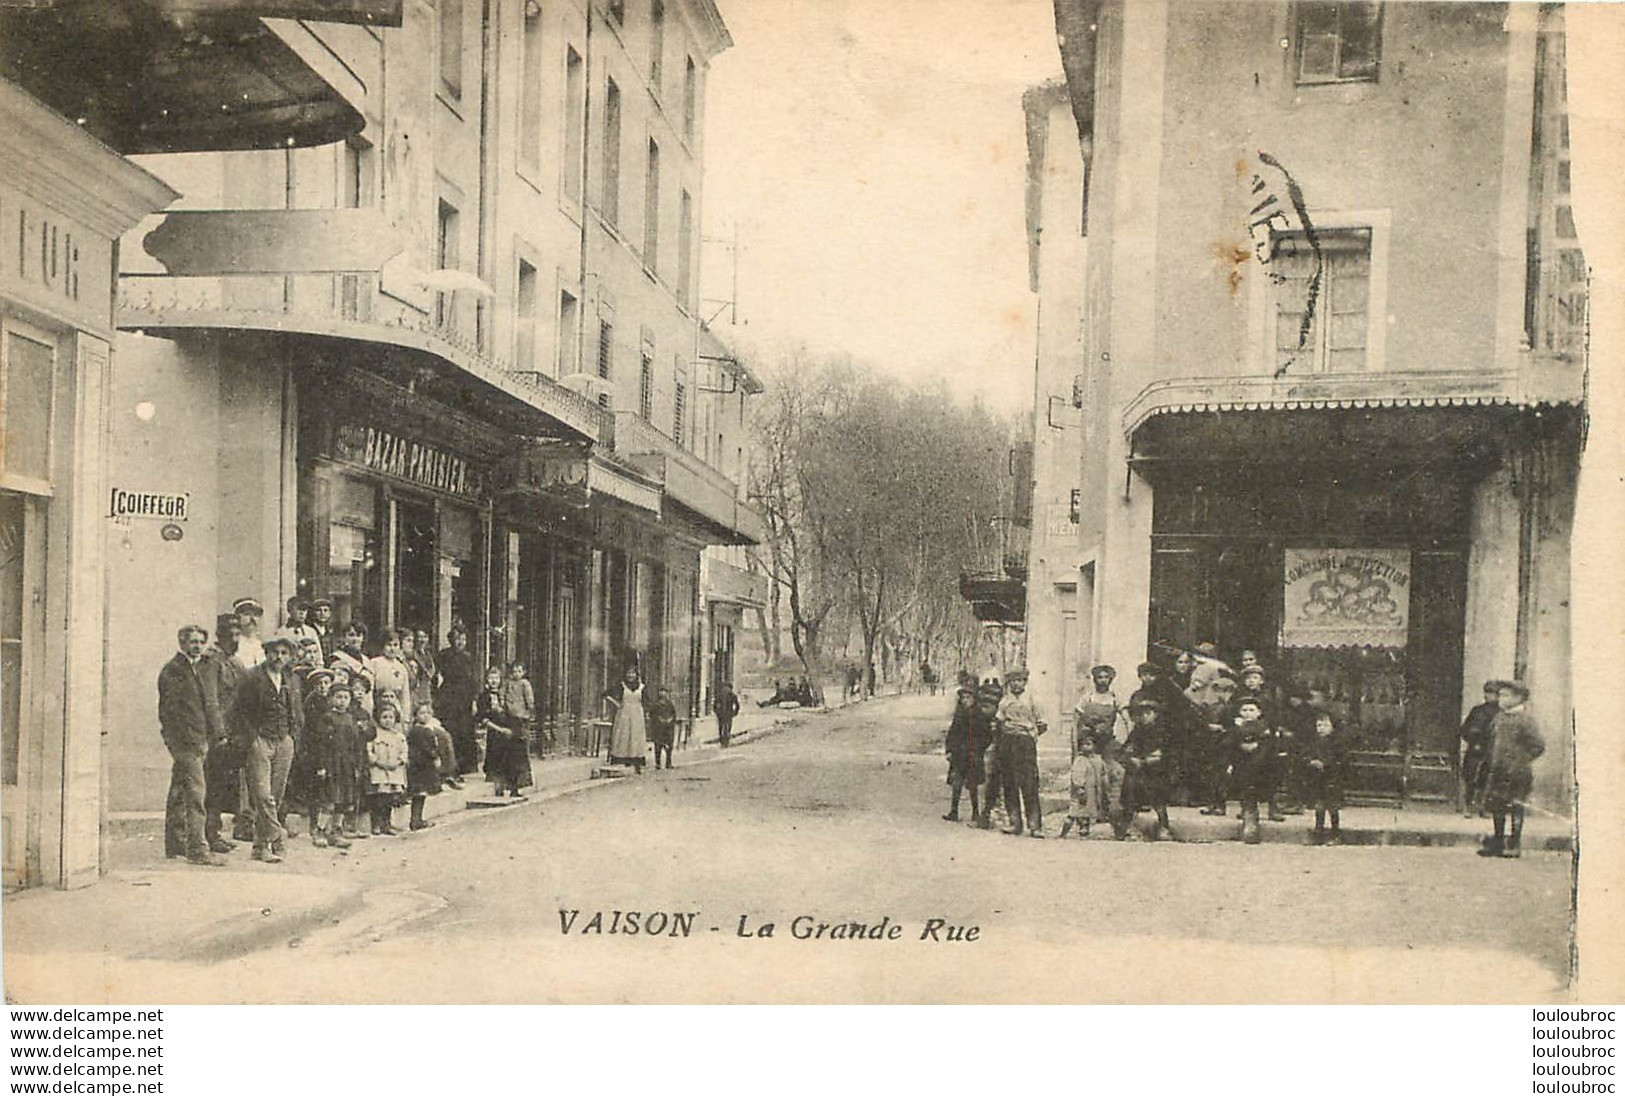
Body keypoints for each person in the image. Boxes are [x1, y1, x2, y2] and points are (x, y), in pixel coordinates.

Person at [229, 632, 305, 863]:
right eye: (274, 652)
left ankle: (260, 847)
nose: (278, 657)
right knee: (262, 795)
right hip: (261, 739)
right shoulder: (253, 677)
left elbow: (297, 711)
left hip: (284, 741)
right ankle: (277, 836)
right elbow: (239, 712)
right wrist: (252, 739)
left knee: (276, 794)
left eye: (284, 653)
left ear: (290, 656)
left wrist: (293, 736)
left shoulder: (292, 679)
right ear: (267, 653)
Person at [157, 625, 227, 866]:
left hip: (205, 740)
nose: (196, 646)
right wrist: (176, 742)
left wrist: (217, 734)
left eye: (200, 642)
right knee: (197, 794)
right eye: (192, 642)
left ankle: (176, 844)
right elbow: (168, 712)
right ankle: (197, 848)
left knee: (179, 791)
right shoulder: (172, 671)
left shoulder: (208, 667)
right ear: (182, 643)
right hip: (186, 742)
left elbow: (213, 704)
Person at [1478, 681, 1546, 859]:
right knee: (1496, 805)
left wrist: (1521, 761)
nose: (1501, 699)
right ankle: (1498, 842)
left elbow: (1538, 745)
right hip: (1497, 771)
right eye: (1500, 695)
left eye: (1506, 695)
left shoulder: (1525, 720)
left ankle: (1514, 844)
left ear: (1518, 698)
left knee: (1515, 806)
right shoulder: (1499, 717)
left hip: (1517, 773)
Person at [199, 613, 246, 854]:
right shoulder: (211, 661)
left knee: (224, 785)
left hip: (233, 732)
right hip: (215, 734)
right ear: (220, 636)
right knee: (212, 785)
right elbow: (211, 700)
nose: (235, 639)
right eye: (230, 635)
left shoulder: (235, 662)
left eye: (238, 634)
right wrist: (218, 733)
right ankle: (209, 834)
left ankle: (217, 832)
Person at [304, 681, 359, 850]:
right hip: (331, 764)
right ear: (331, 699)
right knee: (329, 799)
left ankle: (336, 831)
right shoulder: (327, 718)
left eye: (345, 697)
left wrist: (356, 766)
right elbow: (321, 744)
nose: (342, 701)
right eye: (338, 697)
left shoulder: (350, 719)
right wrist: (321, 765)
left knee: (343, 800)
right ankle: (320, 830)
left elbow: (355, 744)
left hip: (346, 765)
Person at [1072, 664, 1128, 828]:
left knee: (1113, 776)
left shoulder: (1115, 698)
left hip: (1107, 742)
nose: (1103, 681)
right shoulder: (1087, 697)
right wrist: (1076, 745)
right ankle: (1084, 820)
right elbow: (1076, 721)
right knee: (1087, 778)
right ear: (1094, 679)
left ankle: (1112, 817)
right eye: (1099, 677)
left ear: (1111, 679)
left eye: (1106, 677)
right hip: (1089, 743)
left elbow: (1126, 718)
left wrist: (1127, 739)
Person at [994, 669, 1047, 838]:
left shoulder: (1033, 699)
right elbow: (999, 721)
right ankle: (1014, 822)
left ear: (1025, 682)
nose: (1016, 684)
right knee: (1010, 782)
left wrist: (1029, 735)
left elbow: (1042, 724)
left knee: (1029, 782)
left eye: (1020, 681)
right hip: (1008, 742)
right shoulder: (1005, 701)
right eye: (1013, 681)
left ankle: (1035, 825)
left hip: (1025, 743)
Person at [1115, 696, 1175, 841]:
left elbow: (1169, 752)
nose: (1145, 717)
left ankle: (1164, 826)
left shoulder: (1163, 731)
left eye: (1149, 713)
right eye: (1141, 714)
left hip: (1156, 771)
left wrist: (1155, 758)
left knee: (1158, 799)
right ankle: (1126, 827)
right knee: (1130, 794)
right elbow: (1126, 749)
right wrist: (1131, 758)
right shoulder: (1137, 732)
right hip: (1137, 771)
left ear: (1156, 714)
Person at [1224, 696, 1274, 845]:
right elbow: (1229, 745)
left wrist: (1256, 749)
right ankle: (1249, 821)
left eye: (1251, 710)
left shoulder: (1263, 727)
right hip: (1241, 765)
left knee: (1254, 792)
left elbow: (1268, 745)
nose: (1248, 713)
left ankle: (1252, 821)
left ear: (1259, 713)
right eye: (1244, 710)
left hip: (1260, 766)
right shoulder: (1237, 728)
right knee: (1245, 794)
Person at [478, 666, 532, 796]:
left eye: (496, 677)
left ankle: (515, 787)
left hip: (508, 729)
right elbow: (483, 719)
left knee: (517, 750)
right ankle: (499, 788)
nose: (493, 681)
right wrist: (500, 729)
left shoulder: (505, 694)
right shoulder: (484, 697)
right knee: (499, 753)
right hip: (495, 732)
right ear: (486, 679)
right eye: (491, 677)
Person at [435, 624, 480, 775]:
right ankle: (450, 767)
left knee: (465, 731)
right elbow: (437, 675)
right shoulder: (444, 655)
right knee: (451, 730)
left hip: (465, 698)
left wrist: (474, 701)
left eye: (463, 639)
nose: (460, 642)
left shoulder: (468, 657)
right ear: (451, 640)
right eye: (457, 639)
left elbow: (473, 680)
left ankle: (465, 766)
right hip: (449, 697)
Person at [1300, 711, 1349, 845]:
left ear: (1333, 727)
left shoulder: (1338, 743)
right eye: (1318, 725)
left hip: (1332, 779)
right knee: (1319, 806)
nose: (1321, 728)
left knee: (1332, 807)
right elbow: (1305, 755)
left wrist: (1326, 765)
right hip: (1317, 779)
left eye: (1325, 725)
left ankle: (1335, 833)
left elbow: (1342, 761)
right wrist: (1310, 761)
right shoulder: (1314, 742)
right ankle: (1318, 831)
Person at [1459, 680, 1504, 816]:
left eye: (1492, 693)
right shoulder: (1477, 711)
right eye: (1487, 692)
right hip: (1475, 749)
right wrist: (1472, 738)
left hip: (1492, 750)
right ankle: (1468, 807)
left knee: (1488, 780)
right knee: (1471, 777)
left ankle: (1484, 808)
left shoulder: (1501, 713)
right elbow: (1465, 729)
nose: (1488, 696)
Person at [943, 685, 986, 824]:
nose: (965, 700)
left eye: (968, 697)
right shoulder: (959, 715)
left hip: (973, 754)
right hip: (958, 754)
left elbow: (987, 735)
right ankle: (954, 811)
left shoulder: (979, 715)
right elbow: (952, 733)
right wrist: (949, 750)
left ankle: (975, 813)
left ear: (974, 699)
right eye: (963, 698)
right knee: (957, 783)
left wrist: (979, 749)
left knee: (972, 784)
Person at [366, 700, 408, 835]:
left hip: (394, 771)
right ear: (378, 718)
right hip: (379, 771)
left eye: (391, 717)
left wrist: (399, 761)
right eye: (384, 717)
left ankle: (387, 823)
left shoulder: (398, 736)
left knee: (390, 799)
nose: (388, 721)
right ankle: (376, 824)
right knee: (379, 797)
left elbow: (404, 751)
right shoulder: (374, 734)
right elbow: (368, 751)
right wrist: (376, 762)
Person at [604, 666, 648, 772]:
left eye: (633, 674)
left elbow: (647, 701)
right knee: (623, 735)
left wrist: (644, 710)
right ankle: (621, 758)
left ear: (636, 675)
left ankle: (635, 759)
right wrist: (617, 704)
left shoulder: (642, 687)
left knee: (635, 736)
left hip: (637, 715)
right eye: (628, 674)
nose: (630, 676)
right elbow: (606, 694)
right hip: (624, 714)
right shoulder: (621, 686)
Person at [976, 680, 1007, 829]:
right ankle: (987, 814)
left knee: (996, 785)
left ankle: (995, 814)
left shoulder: (1000, 719)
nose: (983, 709)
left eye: (987, 706)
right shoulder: (981, 719)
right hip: (988, 754)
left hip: (1000, 754)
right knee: (987, 785)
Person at [406, 706, 442, 831]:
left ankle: (418, 819)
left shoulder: (426, 729)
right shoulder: (418, 731)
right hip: (420, 765)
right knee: (419, 793)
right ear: (415, 715)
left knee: (421, 794)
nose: (425, 715)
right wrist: (435, 756)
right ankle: (415, 820)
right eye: (421, 713)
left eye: (428, 713)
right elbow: (426, 748)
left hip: (424, 765)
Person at [368, 628, 414, 726]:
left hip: (395, 710)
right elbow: (369, 690)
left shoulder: (401, 667)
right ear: (383, 646)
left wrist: (405, 718)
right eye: (389, 645)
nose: (392, 649)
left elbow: (405, 695)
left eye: (395, 645)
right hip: (378, 707)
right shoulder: (374, 663)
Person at [646, 685, 679, 770]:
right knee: (658, 746)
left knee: (669, 746)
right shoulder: (656, 705)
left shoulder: (670, 704)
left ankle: (668, 762)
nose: (663, 693)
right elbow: (652, 715)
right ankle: (658, 763)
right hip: (659, 729)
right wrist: (659, 720)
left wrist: (670, 720)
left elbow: (673, 714)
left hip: (668, 728)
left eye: (664, 691)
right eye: (661, 691)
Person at [231, 596, 266, 670]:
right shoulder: (233, 644)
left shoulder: (262, 645)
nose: (252, 619)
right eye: (247, 614)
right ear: (237, 618)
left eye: (256, 615)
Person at [714, 679, 741, 747]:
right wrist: (735, 712)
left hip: (720, 713)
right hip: (729, 713)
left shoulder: (719, 694)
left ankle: (721, 739)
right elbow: (737, 705)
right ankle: (726, 740)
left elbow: (715, 704)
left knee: (721, 726)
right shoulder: (732, 694)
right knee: (728, 726)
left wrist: (716, 712)